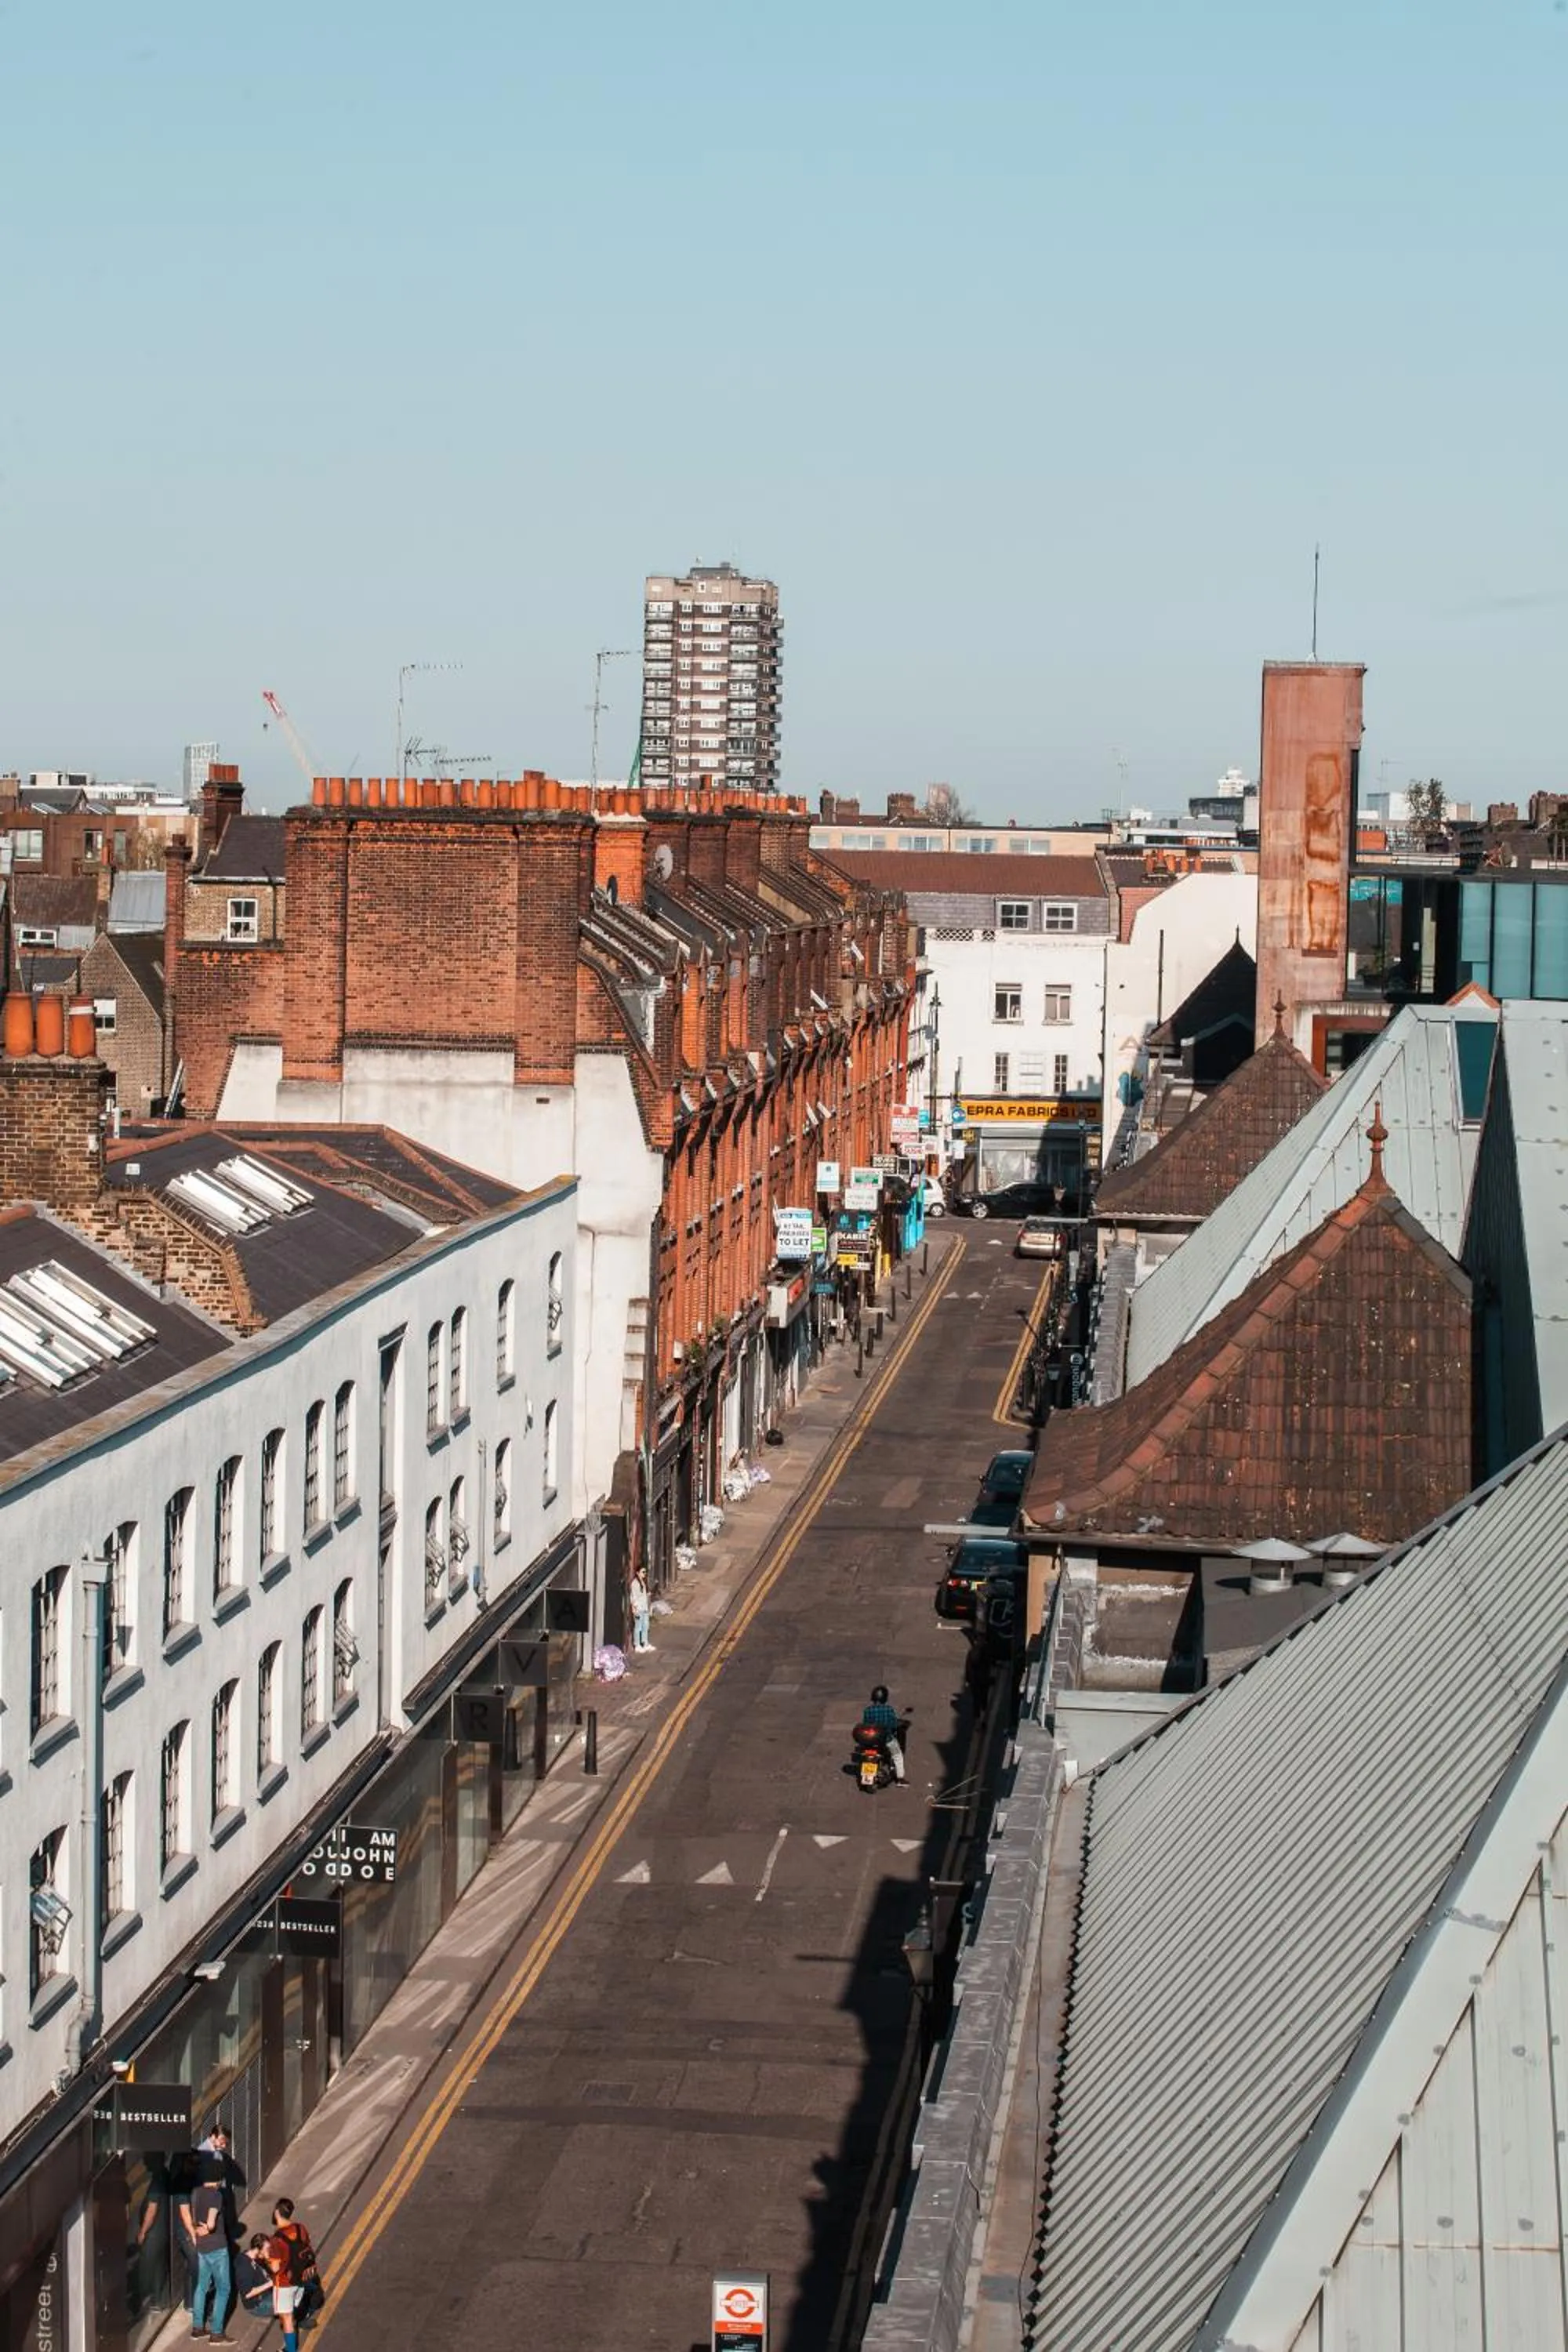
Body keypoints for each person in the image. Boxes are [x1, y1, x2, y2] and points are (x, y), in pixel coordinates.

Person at [183, 2159, 233, 2341]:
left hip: (202, 2247)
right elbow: (211, 2223)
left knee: (202, 2287)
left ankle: (197, 2328)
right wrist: (209, 2227)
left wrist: (199, 2230)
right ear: (218, 2178)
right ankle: (217, 2333)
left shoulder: (196, 2192)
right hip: (217, 2247)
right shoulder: (216, 2195)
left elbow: (195, 2217)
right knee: (224, 2289)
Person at [266, 2200, 321, 2342]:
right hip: (301, 2279)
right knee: (293, 2308)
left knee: (287, 2318)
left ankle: (290, 2348)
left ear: (277, 2213)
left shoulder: (276, 2240)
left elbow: (275, 2268)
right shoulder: (300, 2228)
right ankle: (301, 2321)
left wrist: (267, 2258)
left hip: (284, 2283)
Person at [861, 1685, 905, 1784]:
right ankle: (900, 1779)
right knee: (898, 1756)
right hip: (886, 1739)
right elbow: (894, 1724)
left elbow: (865, 1724)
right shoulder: (889, 1709)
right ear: (885, 1698)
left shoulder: (867, 1710)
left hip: (871, 1740)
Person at [234, 2238, 275, 2322]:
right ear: (257, 2249)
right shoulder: (244, 2268)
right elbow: (247, 2294)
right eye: (266, 2249)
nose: (269, 2251)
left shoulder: (252, 2256)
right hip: (258, 2304)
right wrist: (270, 2284)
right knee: (289, 2303)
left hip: (267, 2293)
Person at [627, 1568, 653, 1654]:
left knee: (645, 1626)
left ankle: (645, 1643)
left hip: (644, 1608)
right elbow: (634, 1597)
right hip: (639, 1608)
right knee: (638, 1627)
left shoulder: (643, 1582)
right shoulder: (635, 1583)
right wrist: (635, 1608)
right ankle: (637, 1645)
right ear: (637, 1573)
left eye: (645, 1572)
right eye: (643, 1572)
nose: (645, 1574)